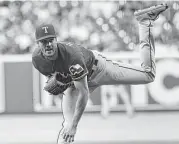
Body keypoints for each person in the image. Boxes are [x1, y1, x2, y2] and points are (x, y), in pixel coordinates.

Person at [32, 3, 168, 144]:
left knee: (148, 75)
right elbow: (61, 83)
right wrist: (69, 121)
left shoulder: (71, 56)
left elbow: (84, 93)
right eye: (43, 42)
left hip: (99, 70)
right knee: (66, 125)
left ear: (56, 40)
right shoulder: (37, 60)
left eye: (50, 40)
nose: (48, 44)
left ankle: (145, 22)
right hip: (75, 84)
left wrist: (74, 126)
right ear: (38, 44)